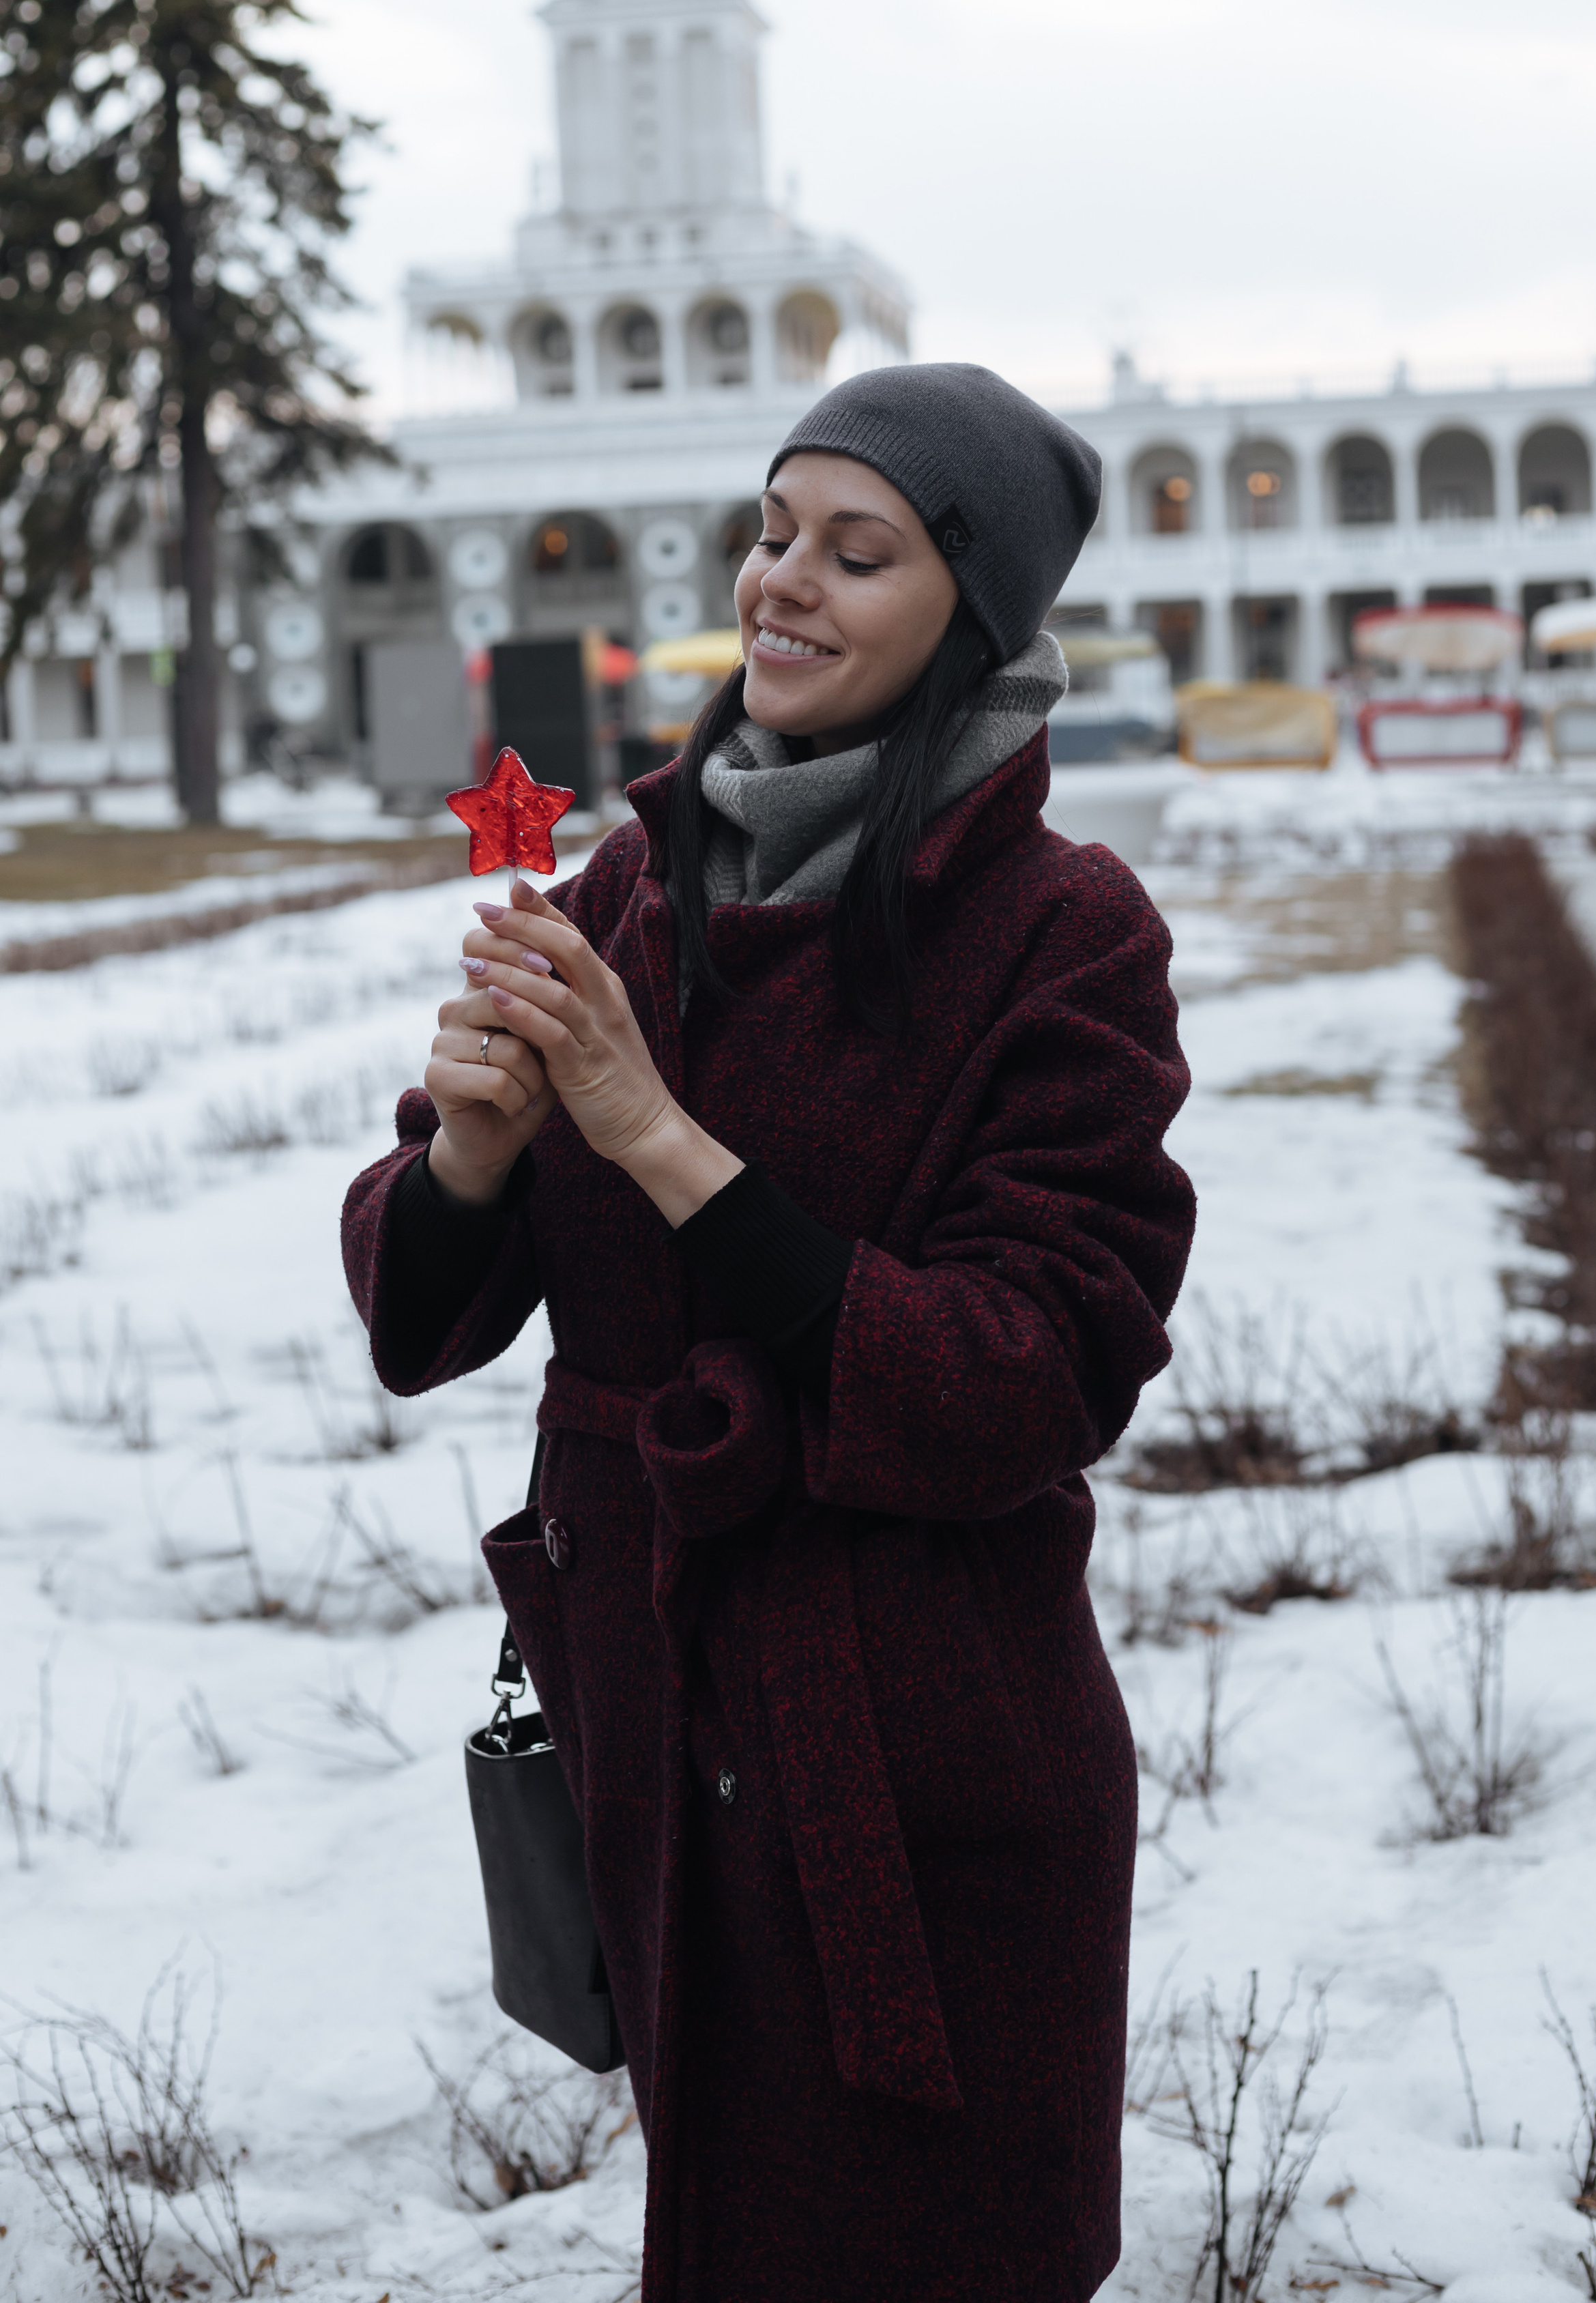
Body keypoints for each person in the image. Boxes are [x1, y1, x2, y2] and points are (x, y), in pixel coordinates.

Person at [343, 362, 1195, 2303]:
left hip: (921, 1756)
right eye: (773, 529)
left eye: (859, 550)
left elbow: (1035, 1369)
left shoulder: (1062, 932)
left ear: (970, 610)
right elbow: (419, 1316)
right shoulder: (634, 883)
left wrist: (655, 1137)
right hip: (660, 1720)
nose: (782, 585)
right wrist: (472, 1156)